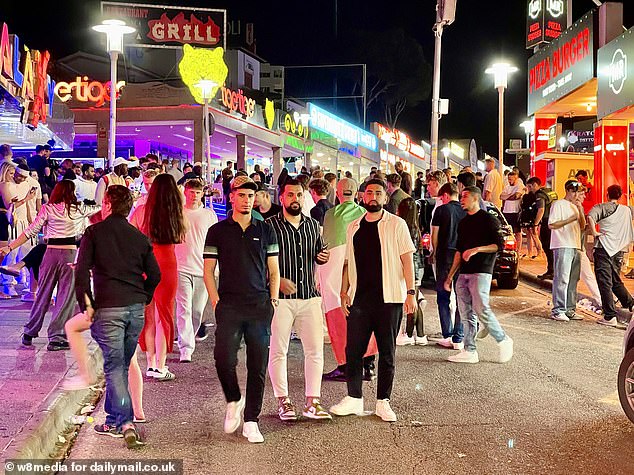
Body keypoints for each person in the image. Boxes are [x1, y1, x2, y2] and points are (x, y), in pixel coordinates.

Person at [75, 185, 160, 447]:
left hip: (108, 308)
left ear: (108, 204)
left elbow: (80, 273)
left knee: (114, 366)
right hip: (135, 309)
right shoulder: (139, 237)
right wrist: (143, 297)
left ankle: (125, 422)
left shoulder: (94, 233)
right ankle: (113, 419)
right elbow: (155, 275)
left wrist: (86, 304)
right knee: (120, 365)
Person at [329, 178, 416, 422]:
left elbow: (407, 259)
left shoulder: (396, 225)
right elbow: (347, 262)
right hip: (360, 299)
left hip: (390, 299)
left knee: (387, 352)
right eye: (369, 193)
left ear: (385, 198)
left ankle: (383, 402)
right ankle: (354, 398)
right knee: (353, 350)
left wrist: (411, 293)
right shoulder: (354, 226)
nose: (374, 197)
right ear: (362, 196)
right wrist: (344, 291)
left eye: (378, 193)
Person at [203, 175, 280, 443]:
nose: (247, 200)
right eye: (242, 195)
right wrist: (215, 301)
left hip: (259, 304)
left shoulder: (265, 230)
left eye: (251, 196)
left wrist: (273, 300)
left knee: (258, 365)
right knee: (223, 358)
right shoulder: (217, 231)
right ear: (232, 197)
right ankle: (233, 399)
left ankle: (251, 420)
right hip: (229, 305)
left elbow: (274, 269)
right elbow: (209, 271)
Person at [0, 181, 100, 350]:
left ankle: (29, 332)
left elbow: (30, 231)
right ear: (73, 192)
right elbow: (98, 207)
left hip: (50, 254)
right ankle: (56, 336)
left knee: (43, 294)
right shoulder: (79, 209)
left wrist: (10, 247)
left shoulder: (48, 208)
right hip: (70, 254)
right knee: (65, 297)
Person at [267, 179, 332, 421]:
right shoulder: (269, 226)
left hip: (309, 298)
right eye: (290, 194)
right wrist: (276, 280)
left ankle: (312, 402)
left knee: (315, 351)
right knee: (278, 351)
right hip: (280, 299)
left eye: (299, 195)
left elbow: (320, 253)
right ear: (281, 198)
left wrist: (322, 256)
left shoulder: (313, 226)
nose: (295, 199)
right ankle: (283, 401)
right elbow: (259, 260)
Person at [443, 186, 513, 364]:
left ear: (475, 198)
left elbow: (499, 246)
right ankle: (470, 350)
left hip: (482, 271)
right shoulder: (463, 222)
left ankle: (503, 339)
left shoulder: (489, 219)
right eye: (461, 196)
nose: (461, 199)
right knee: (465, 313)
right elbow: (459, 251)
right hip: (464, 273)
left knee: (481, 308)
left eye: (465, 196)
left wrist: (477, 250)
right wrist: (450, 276)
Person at [321, 178, 378, 382]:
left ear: (337, 192)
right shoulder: (365, 214)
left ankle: (345, 366)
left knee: (339, 319)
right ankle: (368, 365)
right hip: (363, 277)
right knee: (365, 319)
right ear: (356, 193)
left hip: (335, 279)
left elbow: (324, 249)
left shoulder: (330, 215)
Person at [130, 174, 185, 381]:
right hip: (168, 263)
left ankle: (151, 363)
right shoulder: (177, 213)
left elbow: (131, 236)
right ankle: (161, 365)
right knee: (165, 315)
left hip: (145, 263)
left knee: (148, 314)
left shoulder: (141, 211)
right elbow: (181, 237)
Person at [175, 179, 217, 362]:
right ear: (185, 192)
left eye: (197, 193)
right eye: (191, 192)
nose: (194, 196)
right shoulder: (177, 212)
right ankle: (186, 347)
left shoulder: (209, 215)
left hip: (203, 269)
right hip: (180, 266)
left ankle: (189, 338)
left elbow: (216, 243)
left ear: (202, 194)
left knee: (197, 310)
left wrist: (216, 267)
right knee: (183, 307)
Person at [587, 184, 634, 327]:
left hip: (604, 248)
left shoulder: (601, 207)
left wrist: (594, 233)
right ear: (620, 196)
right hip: (619, 250)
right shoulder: (627, 210)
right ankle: (630, 303)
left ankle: (609, 316)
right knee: (615, 280)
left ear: (607, 194)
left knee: (605, 282)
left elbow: (590, 217)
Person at [431, 182, 465, 350]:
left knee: (443, 295)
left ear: (445, 195)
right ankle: (459, 336)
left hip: (444, 254)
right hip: (461, 255)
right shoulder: (465, 210)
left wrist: (433, 252)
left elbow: (434, 234)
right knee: (461, 296)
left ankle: (448, 334)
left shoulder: (441, 210)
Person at [548, 180, 586, 322]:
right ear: (568, 191)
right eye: (574, 191)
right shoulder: (558, 204)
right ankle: (558, 310)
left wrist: (580, 211)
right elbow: (552, 224)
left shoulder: (575, 206)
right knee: (562, 277)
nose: (576, 194)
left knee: (573, 279)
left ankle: (570, 309)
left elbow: (582, 226)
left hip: (575, 244)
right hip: (562, 244)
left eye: (578, 192)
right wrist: (570, 219)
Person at [395, 197, 428, 346]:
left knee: (410, 301)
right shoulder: (415, 227)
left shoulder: (405, 228)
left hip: (412, 269)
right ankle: (420, 335)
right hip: (418, 267)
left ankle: (408, 334)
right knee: (414, 301)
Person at [526, 177, 556, 280]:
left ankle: (551, 271)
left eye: (530, 187)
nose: (529, 189)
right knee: (551, 248)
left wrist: (535, 224)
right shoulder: (550, 192)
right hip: (554, 221)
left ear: (535, 185)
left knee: (547, 247)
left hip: (546, 222)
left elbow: (541, 210)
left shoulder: (540, 195)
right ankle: (553, 270)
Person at [500, 170, 525, 249]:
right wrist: (510, 196)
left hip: (515, 211)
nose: (509, 181)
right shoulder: (507, 187)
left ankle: (518, 249)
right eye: (509, 179)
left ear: (516, 178)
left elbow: (516, 196)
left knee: (517, 232)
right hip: (506, 211)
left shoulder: (520, 186)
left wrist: (507, 196)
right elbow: (501, 196)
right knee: (508, 231)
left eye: (511, 179)